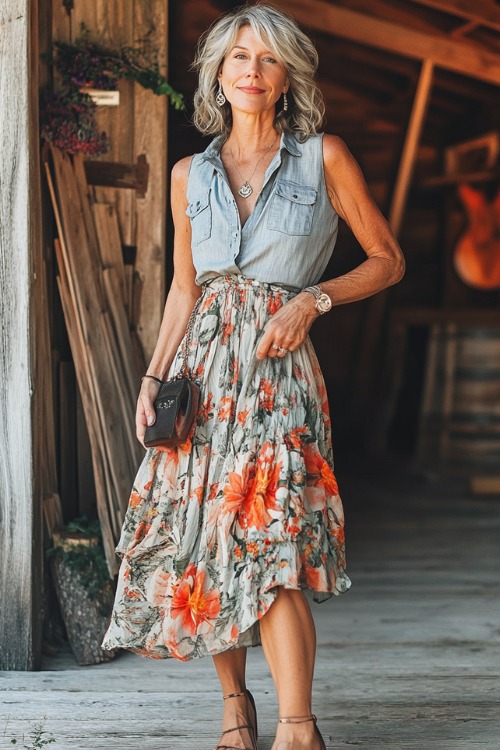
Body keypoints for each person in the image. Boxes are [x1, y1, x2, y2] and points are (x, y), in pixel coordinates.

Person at [102, 4, 405, 749]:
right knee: (209, 546)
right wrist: (153, 376)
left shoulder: (323, 156)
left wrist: (314, 298)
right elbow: (184, 288)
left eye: (266, 59)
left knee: (272, 545)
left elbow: (387, 259)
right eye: (237, 56)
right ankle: (236, 708)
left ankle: (299, 727)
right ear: (218, 72)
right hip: (201, 383)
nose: (250, 69)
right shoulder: (187, 174)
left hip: (277, 378)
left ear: (286, 76)